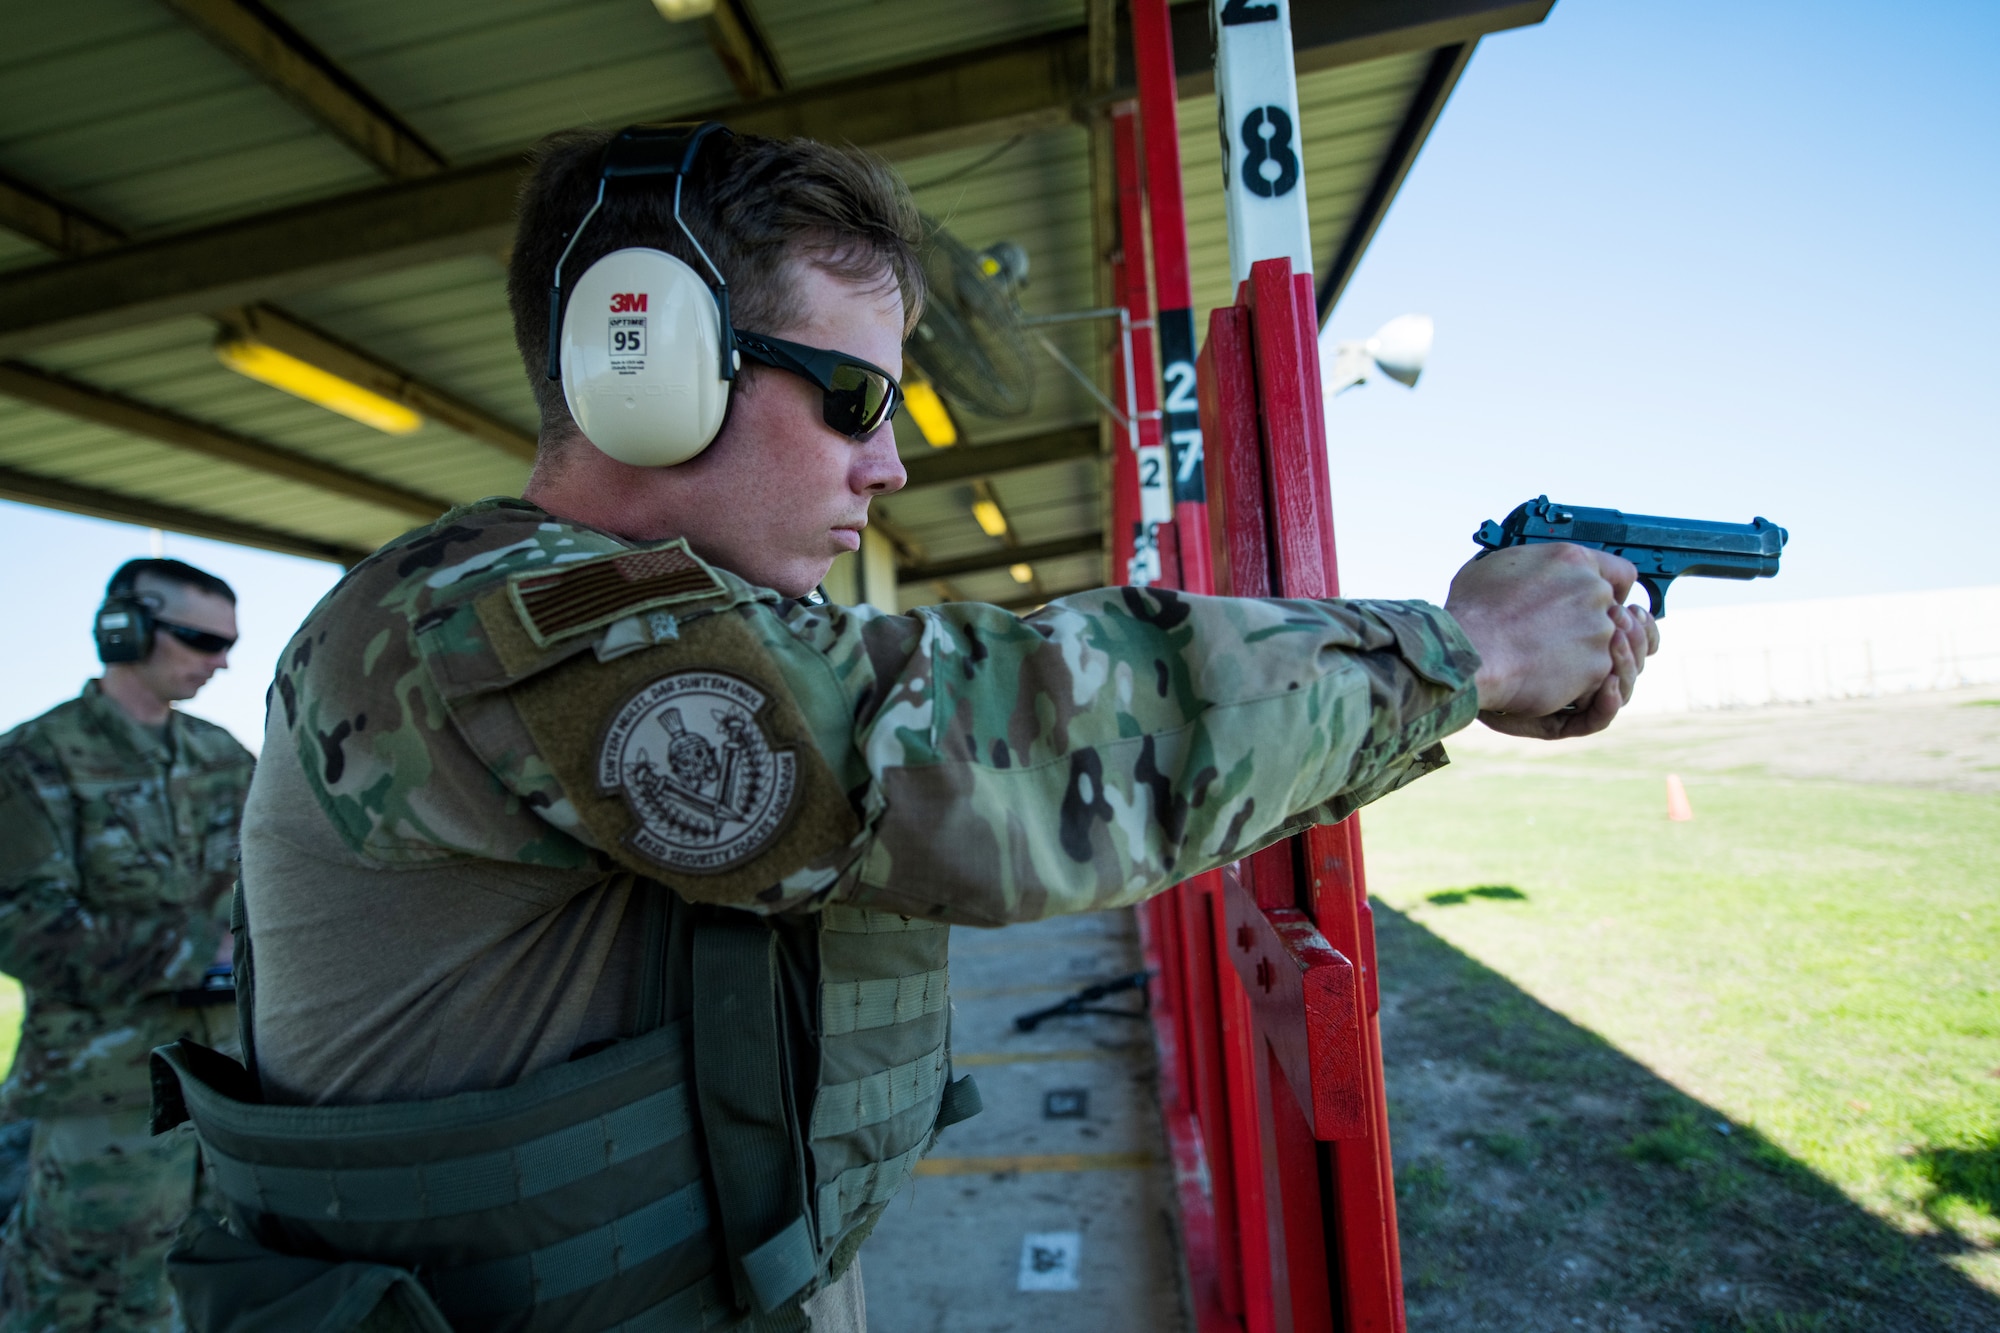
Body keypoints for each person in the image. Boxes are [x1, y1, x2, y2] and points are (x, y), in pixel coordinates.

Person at [152, 123, 1657, 1333]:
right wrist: (1472, 650)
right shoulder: (477, 624)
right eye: (857, 393)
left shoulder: (652, 612)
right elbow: (1000, 749)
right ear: (648, 358)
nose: (892, 462)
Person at [0, 558, 252, 1331]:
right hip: (104, 1097)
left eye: (227, 642)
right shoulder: (34, 758)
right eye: (202, 638)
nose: (221, 660)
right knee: (84, 1305)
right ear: (127, 630)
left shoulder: (224, 755)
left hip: (225, 1088)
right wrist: (197, 951)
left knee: (216, 1293)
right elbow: (20, 927)